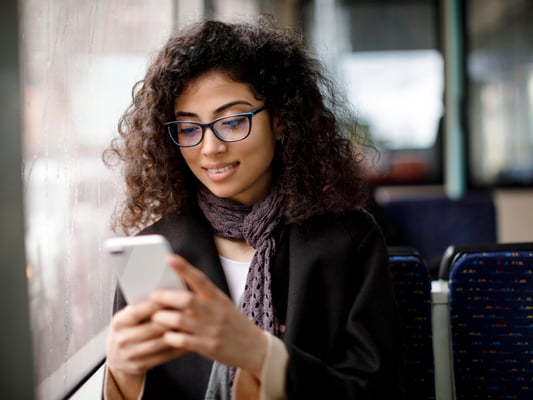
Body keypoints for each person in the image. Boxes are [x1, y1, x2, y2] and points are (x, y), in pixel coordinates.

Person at [102, 16, 403, 400]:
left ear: (280, 121)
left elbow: (377, 392)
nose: (210, 148)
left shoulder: (349, 240)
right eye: (189, 128)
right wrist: (124, 376)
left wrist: (263, 356)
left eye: (232, 121)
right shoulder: (154, 250)